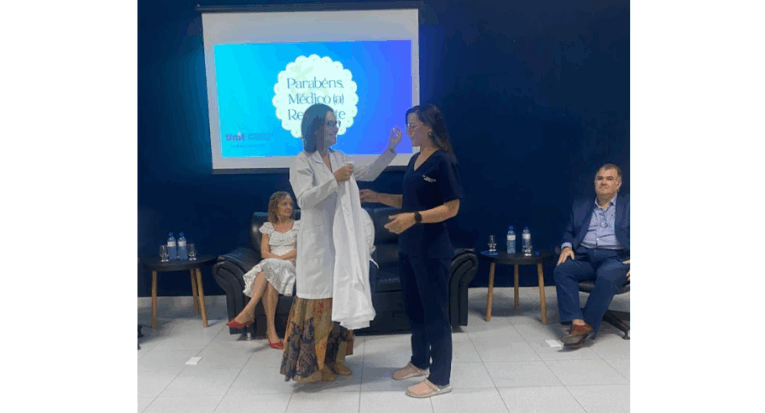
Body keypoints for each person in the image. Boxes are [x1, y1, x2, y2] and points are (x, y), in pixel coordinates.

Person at [282, 103, 402, 383]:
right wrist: (333, 181)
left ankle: (335, 360)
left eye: (336, 123)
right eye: (330, 123)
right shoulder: (302, 161)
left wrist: (390, 149)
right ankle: (313, 365)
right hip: (318, 245)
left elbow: (369, 172)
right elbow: (305, 200)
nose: (336, 127)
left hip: (341, 244)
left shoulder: (340, 157)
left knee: (340, 300)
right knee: (320, 305)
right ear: (316, 127)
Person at [360, 104, 463, 398]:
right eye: (407, 126)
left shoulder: (443, 161)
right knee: (415, 310)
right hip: (409, 248)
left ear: (429, 127)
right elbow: (408, 200)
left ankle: (440, 378)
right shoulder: (416, 159)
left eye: (413, 126)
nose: (408, 131)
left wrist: (414, 218)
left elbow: (452, 207)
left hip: (432, 249)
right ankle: (419, 362)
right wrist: (377, 196)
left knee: (435, 314)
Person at [554, 163, 630, 349]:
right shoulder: (581, 205)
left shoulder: (631, 206)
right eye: (600, 178)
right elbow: (569, 231)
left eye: (609, 179)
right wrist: (566, 247)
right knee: (562, 270)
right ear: (595, 182)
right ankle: (578, 322)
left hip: (615, 257)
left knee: (607, 275)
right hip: (585, 257)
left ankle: (584, 328)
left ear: (618, 184)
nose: (603, 182)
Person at [226, 191, 298, 350]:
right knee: (270, 281)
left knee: (267, 266)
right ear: (275, 207)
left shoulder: (298, 225)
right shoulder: (268, 227)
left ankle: (249, 310)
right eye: (284, 204)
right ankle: (271, 332)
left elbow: (298, 250)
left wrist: (279, 259)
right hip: (272, 264)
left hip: (290, 264)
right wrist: (276, 259)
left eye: (291, 204)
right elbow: (264, 253)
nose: (289, 207)